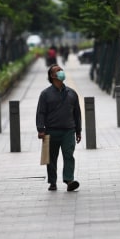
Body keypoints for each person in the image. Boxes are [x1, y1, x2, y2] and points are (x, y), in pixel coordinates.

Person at [36, 64, 82, 192]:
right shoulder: (45, 94)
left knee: (69, 155)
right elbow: (41, 112)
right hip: (51, 130)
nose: (61, 72)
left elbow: (77, 114)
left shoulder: (72, 93)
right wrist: (40, 129)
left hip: (69, 130)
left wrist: (78, 131)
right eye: (58, 71)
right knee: (51, 159)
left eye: (61, 70)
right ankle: (52, 182)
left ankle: (69, 180)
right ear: (52, 76)